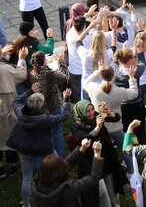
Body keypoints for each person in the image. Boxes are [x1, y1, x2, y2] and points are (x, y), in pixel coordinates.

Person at [6, 87, 72, 207]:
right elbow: (65, 116)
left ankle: (26, 204)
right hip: (44, 149)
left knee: (27, 177)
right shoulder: (45, 119)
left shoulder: (20, 113)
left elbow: (15, 101)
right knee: (60, 166)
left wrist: (30, 91)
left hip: (24, 149)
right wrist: (66, 99)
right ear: (41, 104)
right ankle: (64, 190)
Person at [70, 100, 128, 207]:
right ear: (81, 112)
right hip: (91, 163)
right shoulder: (76, 126)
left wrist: (109, 112)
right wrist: (97, 128)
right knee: (100, 193)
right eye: (87, 111)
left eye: (92, 109)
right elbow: (83, 140)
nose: (92, 113)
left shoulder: (96, 115)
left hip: (106, 158)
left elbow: (115, 118)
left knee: (112, 187)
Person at [32, 138, 104, 205]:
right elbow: (93, 178)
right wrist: (97, 154)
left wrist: (82, 148)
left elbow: (69, 161)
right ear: (59, 173)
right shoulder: (67, 190)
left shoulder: (36, 185)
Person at [0, 44, 28, 178]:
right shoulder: (6, 69)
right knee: (10, 134)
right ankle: (12, 166)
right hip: (8, 106)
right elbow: (22, 75)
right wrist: (21, 59)